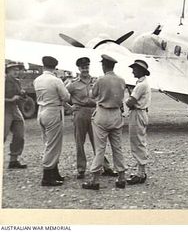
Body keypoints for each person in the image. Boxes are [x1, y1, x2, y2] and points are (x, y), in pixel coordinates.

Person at [66, 57, 117, 179]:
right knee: (80, 141)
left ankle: (105, 167)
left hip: (95, 112)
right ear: (78, 68)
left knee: (98, 141)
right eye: (83, 67)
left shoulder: (96, 81)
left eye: (87, 67)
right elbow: (62, 95)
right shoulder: (73, 84)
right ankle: (81, 169)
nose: (85, 69)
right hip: (80, 112)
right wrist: (70, 108)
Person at [82, 54, 127, 190]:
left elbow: (92, 95)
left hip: (102, 114)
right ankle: (121, 177)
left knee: (100, 148)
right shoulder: (121, 80)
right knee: (117, 147)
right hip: (116, 114)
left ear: (103, 66)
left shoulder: (101, 80)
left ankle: (94, 179)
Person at [33, 56, 70, 186]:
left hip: (41, 110)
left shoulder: (37, 80)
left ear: (43, 66)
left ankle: (54, 172)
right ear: (55, 67)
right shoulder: (56, 80)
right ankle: (47, 176)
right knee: (53, 144)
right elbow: (66, 96)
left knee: (48, 142)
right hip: (53, 111)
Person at [125, 59, 151, 185]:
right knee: (139, 141)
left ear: (140, 71)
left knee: (137, 142)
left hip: (138, 112)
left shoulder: (141, 85)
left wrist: (126, 101)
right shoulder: (142, 83)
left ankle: (140, 174)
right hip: (141, 112)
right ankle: (140, 171)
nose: (133, 71)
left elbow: (130, 102)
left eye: (135, 69)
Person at [4, 62, 27, 169]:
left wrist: (22, 94)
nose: (16, 72)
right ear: (7, 70)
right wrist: (10, 99)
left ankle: (13, 160)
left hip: (14, 109)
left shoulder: (17, 81)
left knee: (19, 134)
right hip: (4, 109)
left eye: (17, 70)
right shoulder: (3, 80)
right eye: (13, 69)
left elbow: (20, 96)